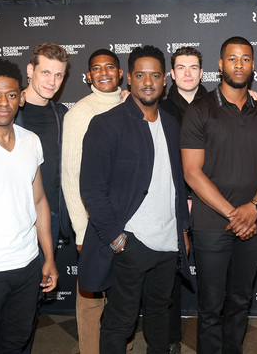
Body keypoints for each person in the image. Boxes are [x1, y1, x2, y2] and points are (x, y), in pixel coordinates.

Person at [78, 45, 190, 354]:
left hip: (167, 245)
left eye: (155, 75)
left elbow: (176, 183)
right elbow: (91, 189)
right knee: (120, 322)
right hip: (131, 244)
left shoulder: (170, 123)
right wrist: (118, 240)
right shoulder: (107, 124)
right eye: (140, 75)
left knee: (159, 318)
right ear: (129, 78)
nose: (148, 82)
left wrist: (182, 231)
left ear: (164, 80)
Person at [181, 36, 257, 354]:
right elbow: (192, 172)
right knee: (210, 306)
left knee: (240, 301)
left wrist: (253, 208)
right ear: (221, 64)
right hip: (212, 225)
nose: (239, 64)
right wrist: (235, 214)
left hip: (253, 222)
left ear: (253, 65)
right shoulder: (200, 110)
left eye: (246, 58)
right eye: (232, 58)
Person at [0, 59, 58, 352]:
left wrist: (49, 257)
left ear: (21, 97)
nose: (3, 103)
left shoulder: (31, 141)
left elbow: (39, 201)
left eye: (11, 94)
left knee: (16, 344)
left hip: (28, 267)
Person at [61, 49, 124, 354]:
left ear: (120, 73)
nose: (103, 73)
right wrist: (81, 230)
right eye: (96, 68)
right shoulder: (80, 113)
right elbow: (71, 176)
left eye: (109, 67)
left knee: (122, 298)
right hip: (93, 225)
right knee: (90, 301)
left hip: (125, 221)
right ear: (88, 76)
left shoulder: (131, 105)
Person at [160, 46, 207, 354]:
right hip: (170, 202)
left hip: (209, 201)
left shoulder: (220, 104)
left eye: (193, 67)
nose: (188, 73)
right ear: (172, 74)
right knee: (168, 278)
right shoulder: (158, 108)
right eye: (182, 67)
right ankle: (170, 338)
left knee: (213, 275)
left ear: (202, 73)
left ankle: (211, 338)